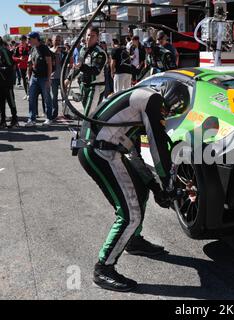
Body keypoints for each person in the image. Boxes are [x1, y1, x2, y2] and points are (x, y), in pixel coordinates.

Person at [77, 78, 190, 292]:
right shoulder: (152, 100)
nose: (165, 116)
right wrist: (167, 183)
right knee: (130, 214)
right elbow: (158, 145)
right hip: (99, 152)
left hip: (102, 149)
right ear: (167, 99)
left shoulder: (140, 100)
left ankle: (134, 241)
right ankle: (103, 269)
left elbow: (133, 152)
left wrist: (156, 187)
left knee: (140, 189)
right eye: (168, 111)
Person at [65, 26, 107, 117]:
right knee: (90, 113)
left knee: (88, 116)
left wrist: (81, 66)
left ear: (97, 37)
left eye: (93, 36)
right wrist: (68, 79)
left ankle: (87, 130)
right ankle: (94, 129)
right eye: (88, 35)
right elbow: (77, 67)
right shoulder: (82, 50)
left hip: (95, 86)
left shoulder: (100, 53)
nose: (89, 38)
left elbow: (95, 71)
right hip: (83, 85)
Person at [26, 32, 53, 127]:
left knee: (47, 99)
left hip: (44, 78)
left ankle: (48, 118)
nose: (28, 41)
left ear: (35, 39)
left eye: (30, 39)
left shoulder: (44, 48)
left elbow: (49, 64)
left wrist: (49, 79)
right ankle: (32, 119)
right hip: (34, 77)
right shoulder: (32, 49)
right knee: (32, 99)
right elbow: (30, 63)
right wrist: (28, 76)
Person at [0, 37, 19, 129]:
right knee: (1, 102)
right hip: (1, 81)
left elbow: (11, 66)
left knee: (11, 101)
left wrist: (1, 69)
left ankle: (15, 120)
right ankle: (2, 121)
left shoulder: (4, 51)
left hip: (7, 82)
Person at [50, 35, 64, 122]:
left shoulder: (62, 51)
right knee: (54, 97)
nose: (58, 42)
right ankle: (54, 113)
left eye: (59, 40)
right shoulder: (49, 51)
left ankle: (65, 113)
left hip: (62, 76)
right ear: (52, 41)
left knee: (64, 96)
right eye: (56, 40)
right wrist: (55, 52)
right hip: (53, 77)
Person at [13, 35, 31, 100]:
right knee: (24, 80)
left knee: (29, 80)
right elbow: (14, 57)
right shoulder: (18, 48)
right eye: (21, 40)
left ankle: (30, 94)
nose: (22, 41)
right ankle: (27, 94)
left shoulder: (30, 47)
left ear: (26, 40)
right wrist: (19, 58)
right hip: (21, 66)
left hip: (30, 66)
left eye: (24, 40)